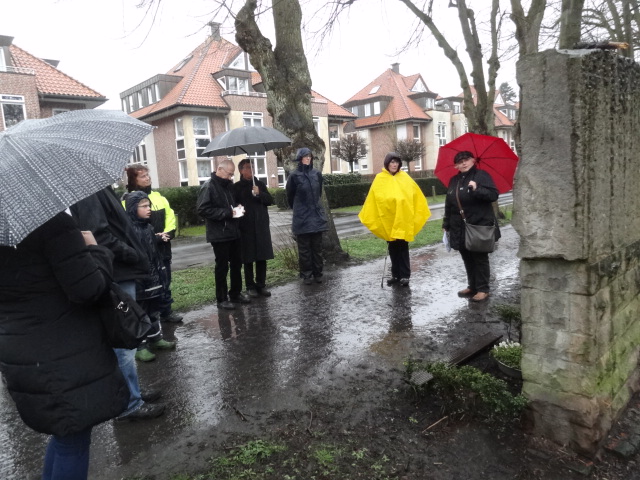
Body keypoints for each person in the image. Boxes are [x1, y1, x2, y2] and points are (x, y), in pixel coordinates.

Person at [0, 212, 129, 480]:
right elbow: (89, 288)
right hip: (62, 348)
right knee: (73, 436)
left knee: (65, 432)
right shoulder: (49, 222)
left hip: (19, 346)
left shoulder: (6, 231)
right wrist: (95, 250)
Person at [71, 187, 165, 420]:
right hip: (117, 272)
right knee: (123, 341)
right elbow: (98, 235)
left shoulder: (97, 188)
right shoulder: (89, 190)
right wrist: (133, 254)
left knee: (126, 343)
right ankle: (129, 404)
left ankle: (132, 393)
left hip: (120, 271)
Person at [359, 152, 431, 287]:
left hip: (402, 219)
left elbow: (414, 195)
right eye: (392, 162)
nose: (394, 164)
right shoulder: (380, 178)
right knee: (392, 248)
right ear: (387, 163)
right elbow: (374, 198)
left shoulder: (405, 178)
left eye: (396, 162)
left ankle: (405, 275)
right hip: (388, 220)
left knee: (403, 247)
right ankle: (395, 275)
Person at [124, 165, 183, 323]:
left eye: (147, 175)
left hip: (163, 247)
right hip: (145, 251)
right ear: (133, 180)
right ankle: (150, 317)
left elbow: (170, 216)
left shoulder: (159, 197)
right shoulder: (127, 201)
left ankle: (166, 312)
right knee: (148, 285)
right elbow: (128, 226)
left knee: (165, 279)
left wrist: (168, 234)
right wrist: (154, 237)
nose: (147, 178)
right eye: (142, 176)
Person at [125, 191, 177, 362]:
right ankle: (141, 346)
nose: (149, 209)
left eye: (149, 205)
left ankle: (156, 338)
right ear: (133, 208)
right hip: (140, 279)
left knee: (154, 309)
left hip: (154, 276)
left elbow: (150, 249)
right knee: (140, 312)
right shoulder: (128, 229)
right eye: (144, 206)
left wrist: (157, 238)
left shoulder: (148, 227)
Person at [442, 150, 500, 302]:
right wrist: (446, 223)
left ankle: (483, 289)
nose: (463, 163)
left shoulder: (481, 176)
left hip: (477, 224)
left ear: (473, 160)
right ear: (456, 166)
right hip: (459, 226)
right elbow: (449, 203)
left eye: (466, 159)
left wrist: (477, 189)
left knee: (479, 257)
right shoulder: (453, 180)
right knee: (466, 257)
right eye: (459, 161)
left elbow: (493, 195)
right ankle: (472, 286)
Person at [197, 159, 252, 310]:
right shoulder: (209, 186)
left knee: (236, 264)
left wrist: (237, 208)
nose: (230, 177)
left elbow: (230, 205)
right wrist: (228, 212)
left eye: (232, 175)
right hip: (219, 234)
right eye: (229, 174)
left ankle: (235, 293)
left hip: (233, 231)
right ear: (219, 169)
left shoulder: (228, 186)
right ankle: (221, 299)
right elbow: (203, 209)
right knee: (222, 266)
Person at [232, 158, 275, 297]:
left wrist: (259, 193)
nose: (250, 170)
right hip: (246, 227)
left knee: (261, 256)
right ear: (241, 170)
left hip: (261, 225)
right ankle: (250, 286)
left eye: (252, 167)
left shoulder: (260, 184)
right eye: (247, 167)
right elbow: (233, 206)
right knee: (248, 257)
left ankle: (261, 285)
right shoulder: (236, 187)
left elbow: (269, 201)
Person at [286, 147, 328, 285]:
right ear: (300, 158)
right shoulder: (294, 176)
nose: (308, 158)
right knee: (304, 249)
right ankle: (306, 274)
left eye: (310, 156)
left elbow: (318, 193)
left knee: (317, 248)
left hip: (316, 216)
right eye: (305, 156)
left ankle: (318, 273)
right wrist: (300, 209)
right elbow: (290, 197)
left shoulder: (316, 174)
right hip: (302, 217)